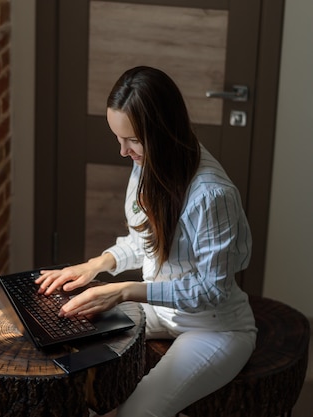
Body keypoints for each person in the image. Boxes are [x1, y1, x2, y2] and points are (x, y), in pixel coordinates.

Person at [35, 66, 257, 417]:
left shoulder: (212, 195)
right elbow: (144, 242)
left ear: (165, 131)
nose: (123, 152)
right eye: (118, 138)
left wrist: (124, 290)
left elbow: (210, 290)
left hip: (214, 326)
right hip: (160, 310)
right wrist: (95, 265)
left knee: (136, 414)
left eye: (133, 140)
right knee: (61, 332)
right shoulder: (148, 163)